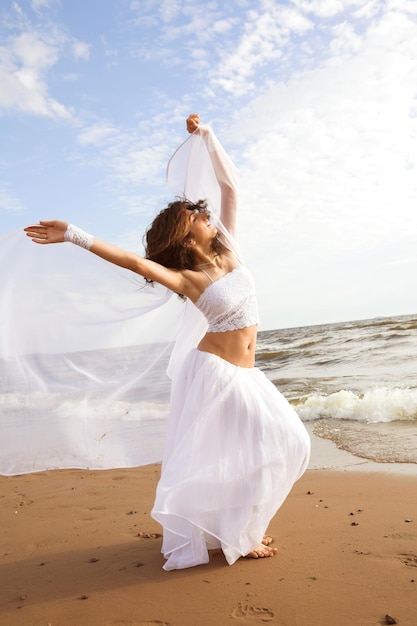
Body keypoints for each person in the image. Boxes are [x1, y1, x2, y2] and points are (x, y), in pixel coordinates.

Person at [24, 114, 310, 571]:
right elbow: (136, 264)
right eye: (196, 214)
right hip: (215, 373)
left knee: (285, 443)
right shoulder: (186, 278)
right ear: (185, 233)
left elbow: (231, 188)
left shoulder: (230, 251)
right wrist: (74, 235)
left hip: (245, 373)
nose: (206, 214)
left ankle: (238, 527)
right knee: (259, 448)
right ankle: (241, 533)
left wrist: (208, 136)